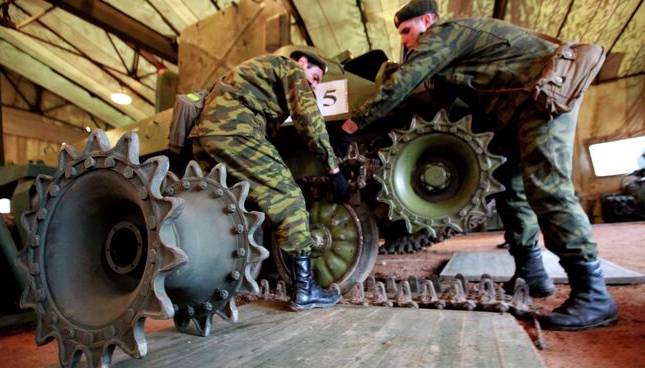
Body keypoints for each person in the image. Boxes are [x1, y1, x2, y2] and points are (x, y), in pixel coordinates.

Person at [337, 0, 617, 331]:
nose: (406, 41)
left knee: (547, 186)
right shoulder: (453, 55)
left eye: (407, 31)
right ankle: (533, 272)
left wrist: (350, 128)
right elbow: (432, 101)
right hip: (515, 110)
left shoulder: (445, 34)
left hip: (543, 92)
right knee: (511, 189)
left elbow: (408, 81)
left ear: (429, 20)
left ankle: (594, 294)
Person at [188, 50, 348, 311]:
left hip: (205, 136)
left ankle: (202, 288)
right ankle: (305, 290)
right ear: (303, 62)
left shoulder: (259, 68)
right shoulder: (291, 69)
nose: (315, 84)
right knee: (288, 197)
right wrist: (333, 167)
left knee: (220, 211)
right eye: (316, 76)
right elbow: (308, 119)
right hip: (235, 130)